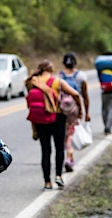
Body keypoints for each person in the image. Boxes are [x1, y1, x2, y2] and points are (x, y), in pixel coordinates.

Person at [26, 60, 82, 190]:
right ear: (51, 69)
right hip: (57, 117)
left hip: (39, 119)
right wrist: (80, 110)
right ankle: (58, 176)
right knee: (59, 148)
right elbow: (76, 94)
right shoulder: (57, 81)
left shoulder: (32, 81)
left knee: (45, 151)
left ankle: (47, 182)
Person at [58, 53, 91, 172]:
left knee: (64, 133)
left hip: (61, 108)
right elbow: (85, 95)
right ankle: (69, 157)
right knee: (71, 134)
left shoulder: (60, 75)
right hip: (74, 109)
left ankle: (64, 156)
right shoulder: (81, 76)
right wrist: (86, 112)